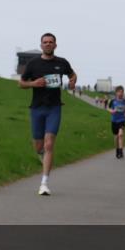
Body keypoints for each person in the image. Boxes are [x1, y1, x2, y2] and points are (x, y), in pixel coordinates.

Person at [18, 32, 77, 195]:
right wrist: (33, 84)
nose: (48, 44)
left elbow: (72, 74)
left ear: (55, 45)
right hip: (37, 108)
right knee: (39, 147)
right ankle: (44, 158)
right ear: (41, 45)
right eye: (45, 42)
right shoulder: (33, 64)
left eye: (51, 42)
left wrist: (72, 81)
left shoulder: (62, 62)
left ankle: (44, 183)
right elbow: (21, 83)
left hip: (54, 108)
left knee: (49, 143)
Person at [108, 85, 125, 158]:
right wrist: (112, 111)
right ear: (116, 93)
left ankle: (121, 150)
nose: (121, 93)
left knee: (121, 134)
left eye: (122, 92)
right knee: (116, 137)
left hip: (122, 120)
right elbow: (108, 108)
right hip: (114, 120)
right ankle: (117, 150)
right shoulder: (113, 101)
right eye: (119, 92)